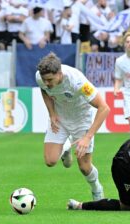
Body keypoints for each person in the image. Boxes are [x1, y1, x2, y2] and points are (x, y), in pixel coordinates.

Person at [36, 52, 110, 200]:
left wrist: (88, 137)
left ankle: (96, 188)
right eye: (45, 80)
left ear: (59, 74)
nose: (47, 83)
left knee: (84, 167)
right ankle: (66, 149)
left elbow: (104, 108)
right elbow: (44, 90)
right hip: (60, 118)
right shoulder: (40, 78)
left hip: (81, 120)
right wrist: (52, 114)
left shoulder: (77, 81)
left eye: (50, 79)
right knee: (50, 161)